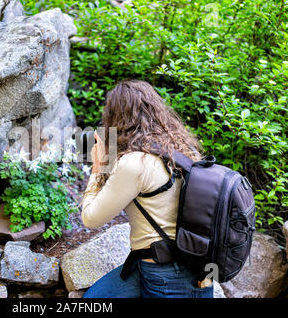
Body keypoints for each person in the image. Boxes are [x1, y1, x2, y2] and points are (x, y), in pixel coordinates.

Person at [81, 80, 213, 298]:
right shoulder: (185, 152)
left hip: (167, 275)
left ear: (115, 118)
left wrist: (98, 167)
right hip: (198, 263)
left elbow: (90, 219)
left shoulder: (134, 163)